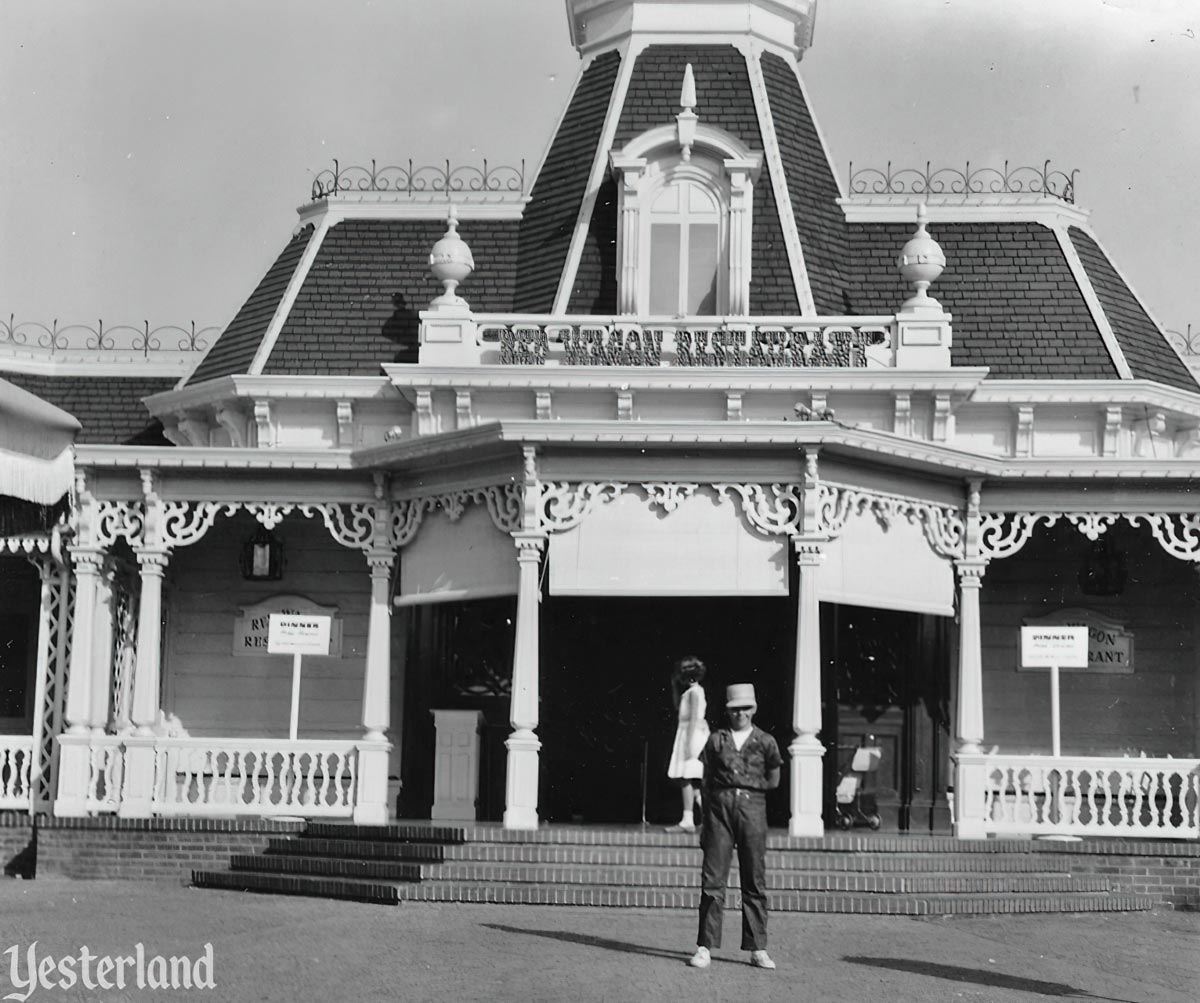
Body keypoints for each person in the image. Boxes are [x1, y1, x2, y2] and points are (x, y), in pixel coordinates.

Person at [688, 682, 782, 972]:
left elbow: (774, 778)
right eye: (734, 709)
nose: (739, 713)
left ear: (753, 709)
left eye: (745, 708)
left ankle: (758, 948)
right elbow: (705, 780)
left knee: (754, 878)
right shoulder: (717, 740)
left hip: (752, 810)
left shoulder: (766, 741)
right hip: (719, 811)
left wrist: (750, 792)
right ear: (727, 711)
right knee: (713, 878)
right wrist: (707, 816)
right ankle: (705, 946)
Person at [665, 656, 710, 832]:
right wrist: (674, 687)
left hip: (691, 735)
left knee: (686, 777)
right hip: (686, 733)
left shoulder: (695, 693)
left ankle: (687, 820)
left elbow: (692, 718)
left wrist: (690, 743)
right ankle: (705, 817)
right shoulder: (689, 692)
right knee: (691, 781)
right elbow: (679, 708)